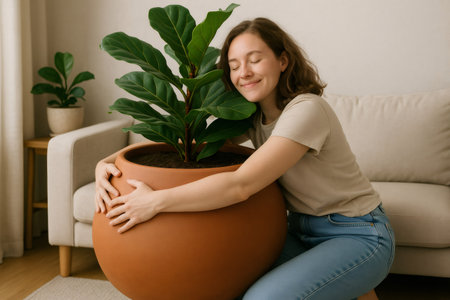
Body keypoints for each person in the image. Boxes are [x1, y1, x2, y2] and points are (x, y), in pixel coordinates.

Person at [95, 17, 395, 300]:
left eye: (255, 60)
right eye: (234, 65)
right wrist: (108, 161)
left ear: (283, 60)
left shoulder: (307, 110)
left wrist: (155, 201)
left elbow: (241, 185)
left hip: (358, 234)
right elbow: (186, 145)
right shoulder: (252, 116)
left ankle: (358, 278)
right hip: (299, 231)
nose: (244, 72)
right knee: (225, 279)